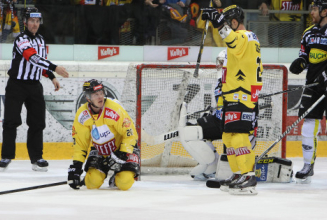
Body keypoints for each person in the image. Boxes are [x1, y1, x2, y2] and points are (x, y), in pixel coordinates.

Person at [201, 5, 263, 195]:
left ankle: (248, 175)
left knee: (239, 137)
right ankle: (238, 173)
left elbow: (232, 39)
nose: (225, 29)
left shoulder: (247, 37)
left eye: (228, 24)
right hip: (232, 95)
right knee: (228, 137)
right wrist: (217, 20)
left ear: (234, 22)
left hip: (243, 95)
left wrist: (218, 21)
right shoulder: (237, 44)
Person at [0, 7, 69, 172]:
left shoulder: (41, 40)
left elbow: (41, 62)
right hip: (16, 85)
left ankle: (36, 158)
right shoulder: (21, 39)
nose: (35, 24)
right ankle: (6, 156)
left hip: (34, 86)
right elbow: (32, 57)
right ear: (25, 22)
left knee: (38, 123)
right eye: (32, 21)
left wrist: (51, 76)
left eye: (37, 21)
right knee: (11, 121)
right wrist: (55, 67)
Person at [68, 79, 140, 190]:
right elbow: (80, 144)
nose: (100, 97)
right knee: (91, 183)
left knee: (124, 183)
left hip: (123, 150)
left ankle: (116, 176)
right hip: (101, 151)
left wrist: (121, 155)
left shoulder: (115, 109)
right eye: (95, 94)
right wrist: (76, 167)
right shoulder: (82, 115)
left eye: (101, 93)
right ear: (88, 98)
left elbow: (130, 134)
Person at [289, 0, 327, 184]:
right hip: (313, 85)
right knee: (308, 124)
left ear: (325, 11)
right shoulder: (308, 33)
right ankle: (307, 165)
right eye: (311, 8)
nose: (311, 12)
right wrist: (301, 62)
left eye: (314, 9)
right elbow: (304, 53)